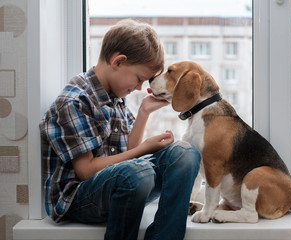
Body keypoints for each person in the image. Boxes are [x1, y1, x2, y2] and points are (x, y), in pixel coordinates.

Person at [40, 19, 201, 240]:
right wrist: (145, 148)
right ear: (118, 61)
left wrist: (144, 112)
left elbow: (127, 153)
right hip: (78, 198)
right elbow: (86, 171)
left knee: (185, 153)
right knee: (137, 172)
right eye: (139, 79)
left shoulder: (115, 96)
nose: (138, 88)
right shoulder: (75, 101)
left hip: (123, 184)